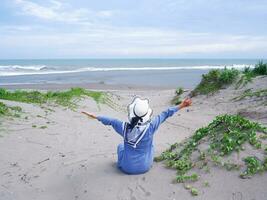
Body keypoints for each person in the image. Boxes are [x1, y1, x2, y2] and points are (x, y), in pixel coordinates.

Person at [82, 97, 192, 175]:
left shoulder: (124, 128)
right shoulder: (151, 127)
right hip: (146, 167)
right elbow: (165, 113)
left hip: (126, 168)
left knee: (121, 146)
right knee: (151, 146)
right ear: (147, 115)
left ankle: (122, 163)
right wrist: (182, 105)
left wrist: (96, 116)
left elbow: (111, 121)